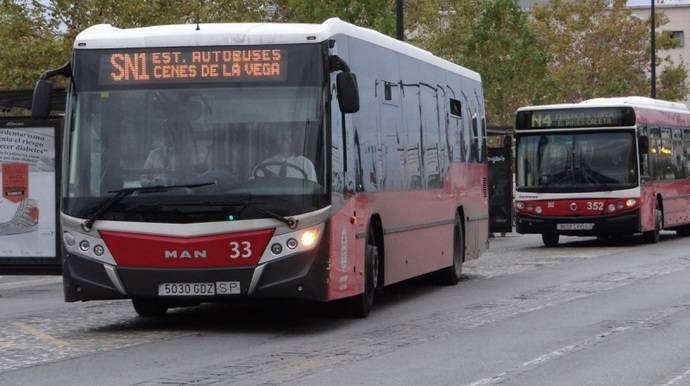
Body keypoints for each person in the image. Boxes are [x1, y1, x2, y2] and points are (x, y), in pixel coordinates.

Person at [252, 128, 318, 183]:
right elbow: (252, 185)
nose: (281, 142)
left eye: (285, 138)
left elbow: (312, 191)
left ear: (295, 141)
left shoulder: (306, 164)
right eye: (281, 139)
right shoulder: (265, 165)